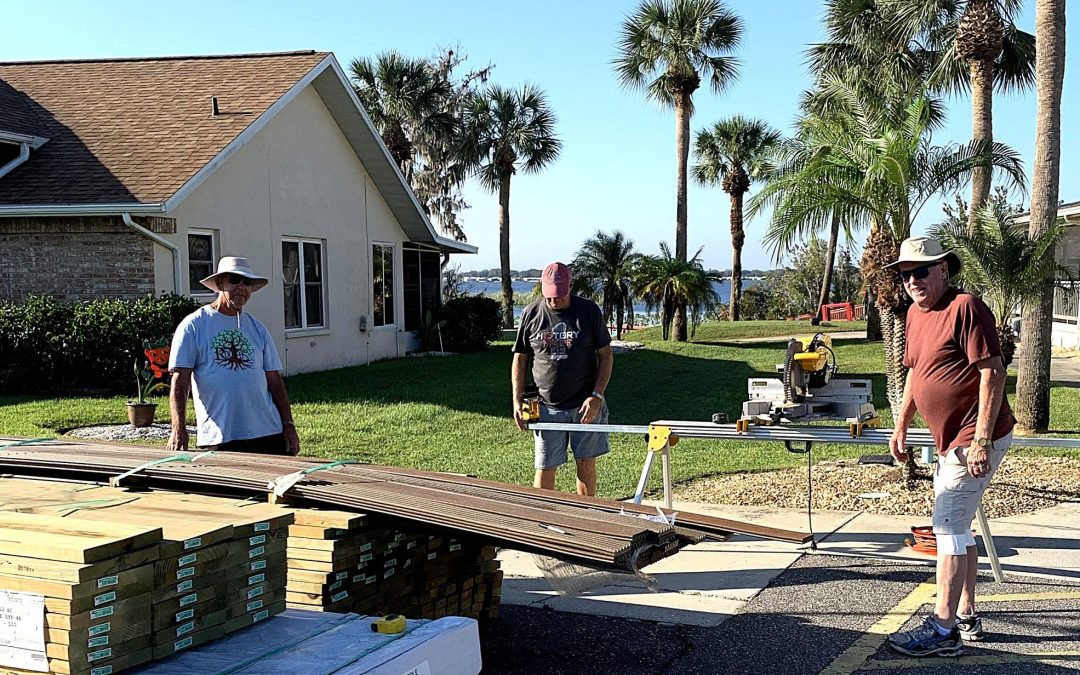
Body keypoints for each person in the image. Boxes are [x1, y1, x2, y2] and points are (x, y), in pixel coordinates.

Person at [885, 237, 1014, 657]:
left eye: (921, 271)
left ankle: (943, 629)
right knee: (958, 527)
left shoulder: (966, 307)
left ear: (943, 269)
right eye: (905, 274)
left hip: (975, 436)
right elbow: (915, 374)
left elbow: (992, 374)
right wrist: (901, 426)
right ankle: (966, 615)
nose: (912, 280)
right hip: (948, 440)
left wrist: (979, 440)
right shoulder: (913, 315)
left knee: (948, 529)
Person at [166, 256, 301, 455]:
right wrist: (178, 428)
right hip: (220, 436)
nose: (241, 287)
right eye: (234, 280)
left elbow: (274, 382)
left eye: (246, 283)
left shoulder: (258, 329)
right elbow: (180, 379)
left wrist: (288, 425)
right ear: (220, 283)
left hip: (268, 433)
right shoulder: (194, 325)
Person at [512, 262, 613, 496]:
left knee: (586, 463)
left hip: (584, 404)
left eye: (559, 296)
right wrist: (517, 401)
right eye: (549, 296)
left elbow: (606, 355)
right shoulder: (532, 313)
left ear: (571, 287)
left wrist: (597, 396)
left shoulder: (588, 311)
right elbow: (520, 358)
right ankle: (543, 519)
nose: (554, 301)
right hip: (546, 406)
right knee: (545, 466)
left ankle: (585, 516)